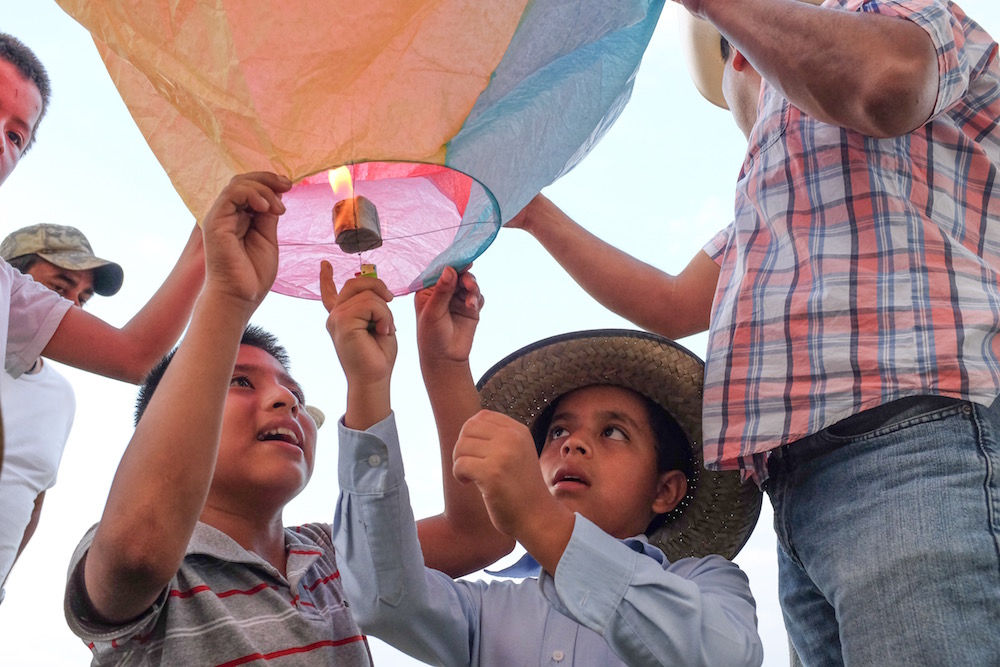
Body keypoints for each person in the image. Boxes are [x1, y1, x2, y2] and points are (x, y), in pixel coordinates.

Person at [508, 0, 1000, 663]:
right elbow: (673, 300)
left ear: (740, 55)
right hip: (804, 491)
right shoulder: (767, 199)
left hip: (907, 441)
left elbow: (886, 78)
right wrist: (537, 215)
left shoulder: (878, 17)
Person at [62, 173, 508, 664]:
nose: (286, 402)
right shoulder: (156, 563)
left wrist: (439, 366)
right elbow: (139, 552)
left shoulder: (333, 557)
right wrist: (228, 299)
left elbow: (479, 535)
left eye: (295, 394)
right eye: (240, 382)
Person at [328, 264, 764, 665]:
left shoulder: (708, 581)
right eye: (557, 432)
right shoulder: (487, 606)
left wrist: (541, 520)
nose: (573, 444)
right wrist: (368, 384)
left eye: (613, 432)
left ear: (665, 490)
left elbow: (721, 655)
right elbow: (381, 599)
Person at [0, 32, 205, 483]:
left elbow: (134, 357)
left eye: (16, 135)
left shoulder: (7, 295)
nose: (1, 140)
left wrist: (210, 238)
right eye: (55, 287)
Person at [0, 223, 125, 598]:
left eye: (83, 298)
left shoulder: (61, 396)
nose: (71, 307)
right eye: (57, 288)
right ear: (10, 281)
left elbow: (33, 501)